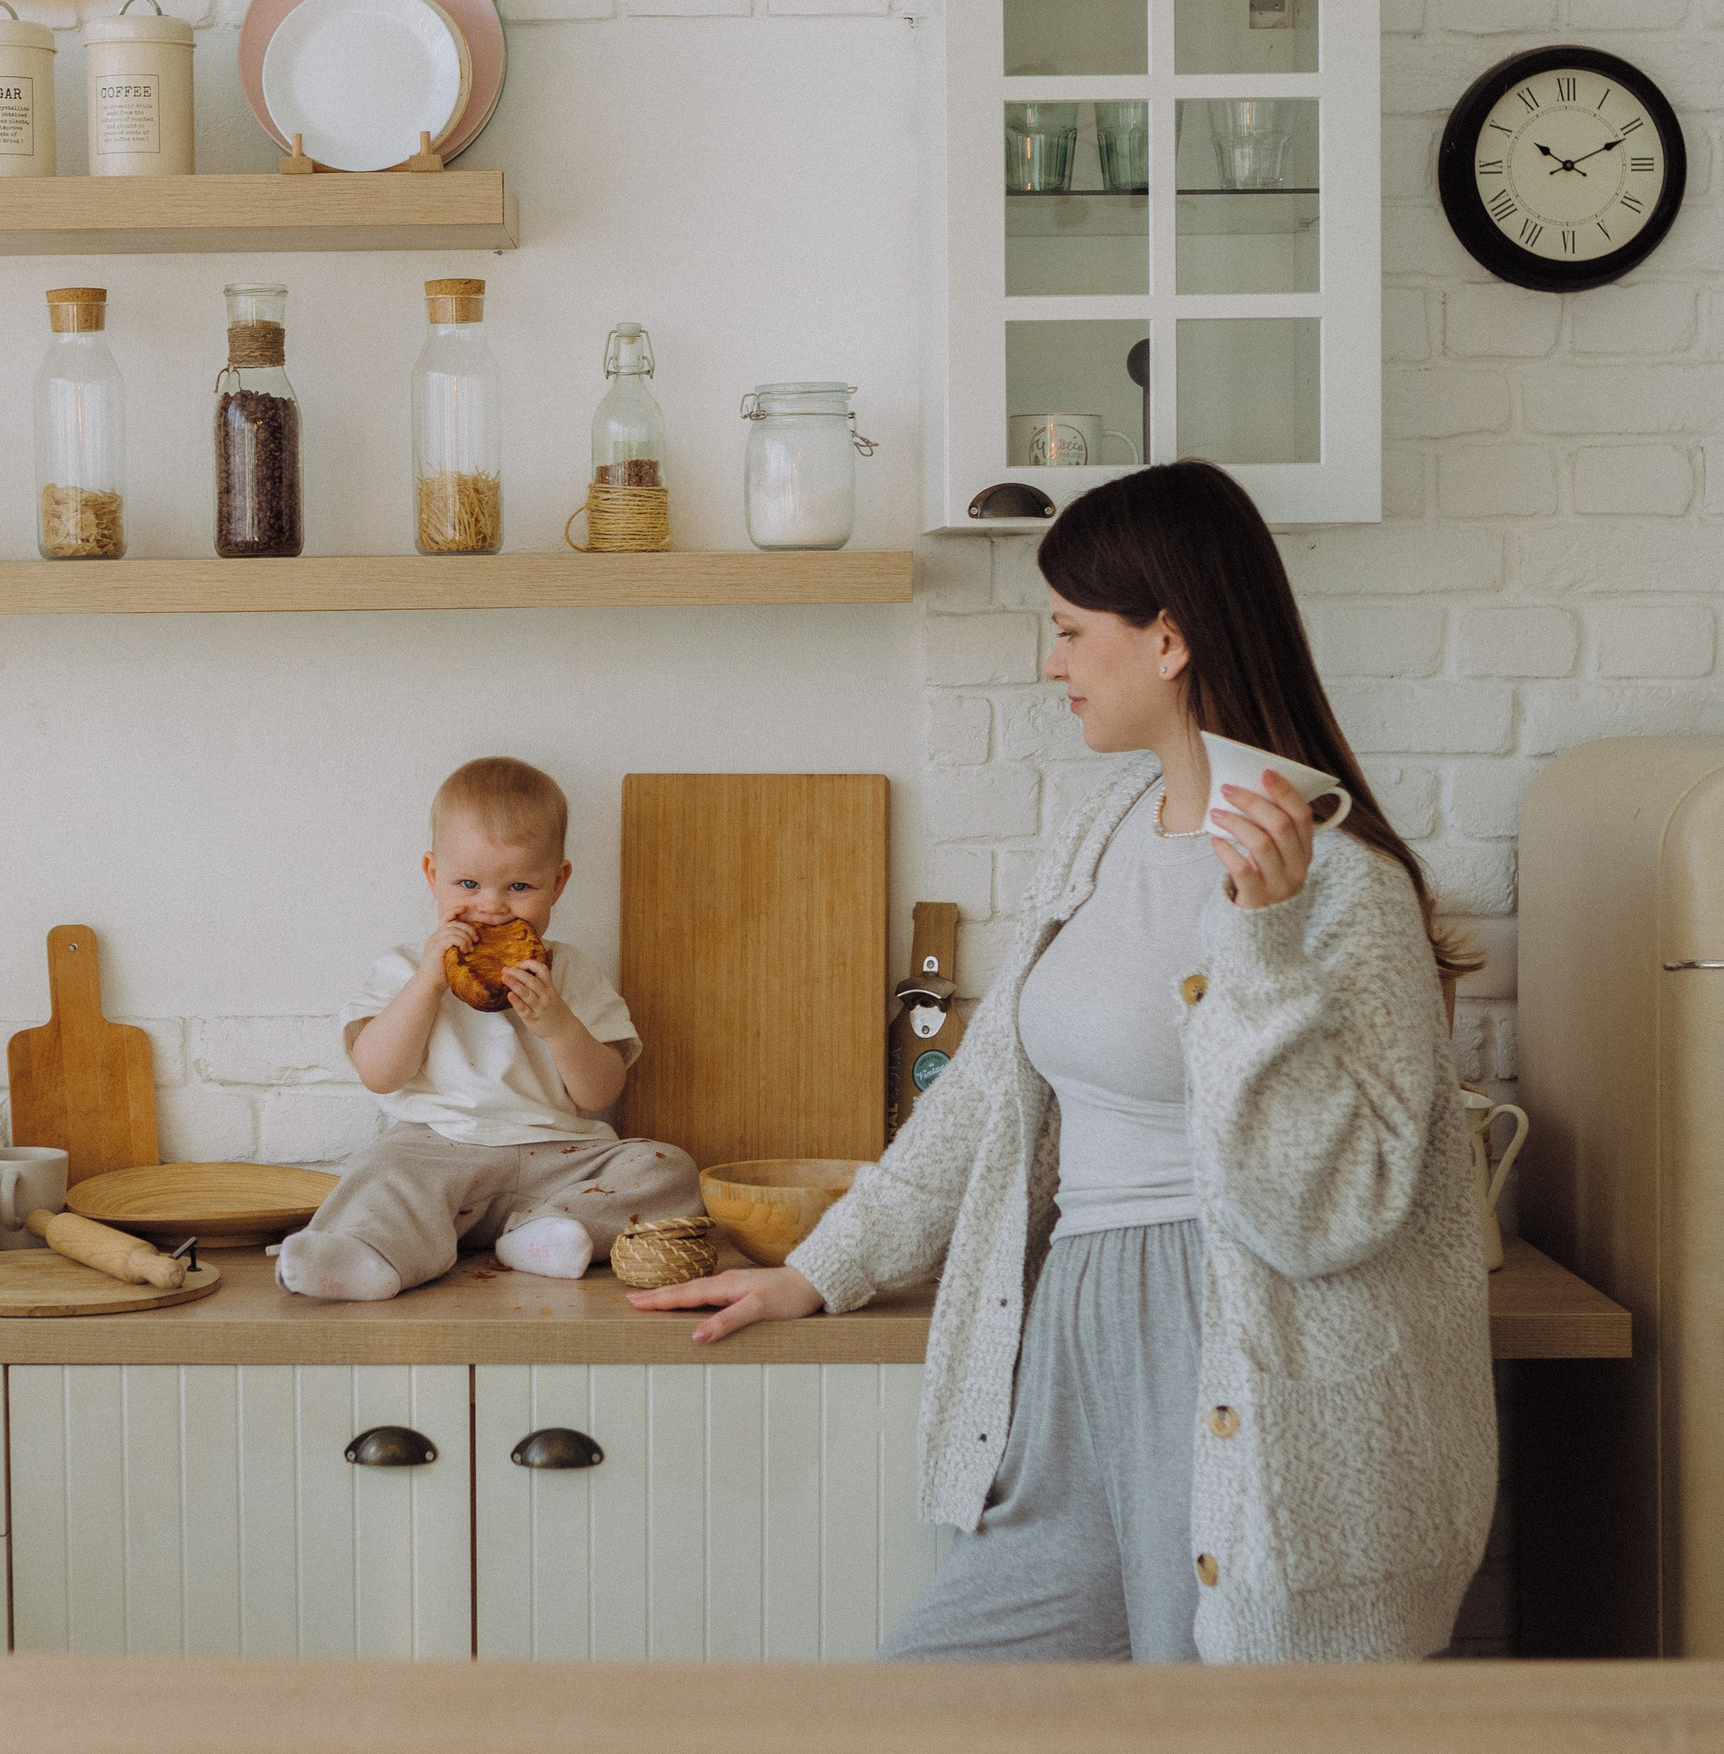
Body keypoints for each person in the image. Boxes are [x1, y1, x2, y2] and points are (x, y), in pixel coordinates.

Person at [633, 462, 1495, 1664]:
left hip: (1231, 1348)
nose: (1053, 665)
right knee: (927, 1700)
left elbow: (1329, 1209)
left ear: (1169, 639)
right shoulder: (1103, 826)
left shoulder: (1347, 889)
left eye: (1070, 632)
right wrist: (823, 1268)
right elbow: (989, 1091)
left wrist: (1264, 939)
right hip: (1073, 1349)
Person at [278, 756, 703, 1301]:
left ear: (558, 882)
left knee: (667, 1168)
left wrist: (557, 1025)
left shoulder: (571, 972)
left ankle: (548, 1234)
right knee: (379, 1168)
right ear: (434, 876)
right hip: (438, 1151)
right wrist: (429, 983)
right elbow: (379, 1075)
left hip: (560, 1156)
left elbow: (601, 1093)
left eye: (519, 885)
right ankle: (372, 1256)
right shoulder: (407, 968)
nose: (492, 907)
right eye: (469, 883)